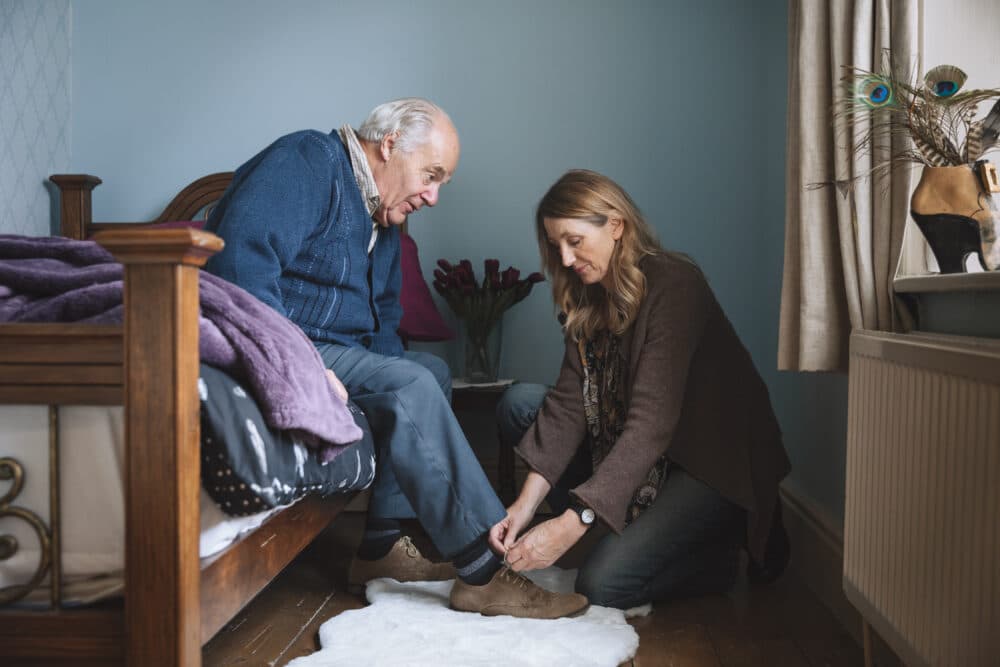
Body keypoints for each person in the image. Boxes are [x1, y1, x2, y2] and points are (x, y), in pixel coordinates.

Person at [204, 98, 586, 619]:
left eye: (440, 183)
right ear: (388, 145)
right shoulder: (307, 161)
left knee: (426, 372)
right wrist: (304, 370)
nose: (431, 196)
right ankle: (484, 573)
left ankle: (381, 545)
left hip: (338, 352)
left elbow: (384, 322)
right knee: (410, 384)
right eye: (430, 175)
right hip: (280, 343)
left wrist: (396, 377)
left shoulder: (384, 218)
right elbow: (237, 267)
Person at [491, 169, 792, 610]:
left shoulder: (674, 284)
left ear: (616, 225)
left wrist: (577, 520)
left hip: (707, 462)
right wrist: (523, 505)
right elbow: (569, 405)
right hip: (647, 455)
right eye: (556, 245)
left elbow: (651, 423)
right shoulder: (587, 295)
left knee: (603, 585)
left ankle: (719, 554)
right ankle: (635, 531)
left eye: (574, 240)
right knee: (520, 405)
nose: (566, 258)